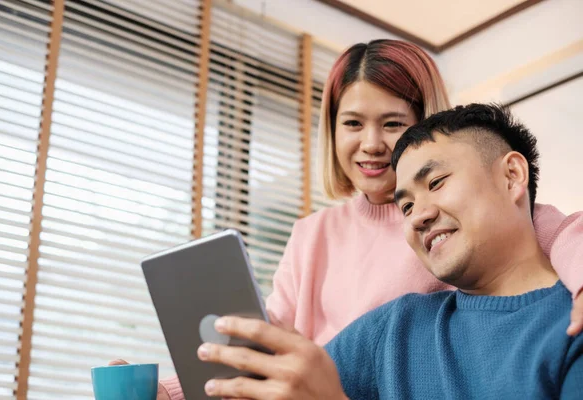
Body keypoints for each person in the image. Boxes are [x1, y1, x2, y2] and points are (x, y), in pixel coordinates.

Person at [113, 40, 583, 399]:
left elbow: (567, 236)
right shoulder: (319, 244)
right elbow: (264, 337)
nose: (373, 144)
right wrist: (172, 391)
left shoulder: (483, 229)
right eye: (353, 124)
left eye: (394, 124)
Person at [196, 103, 583, 399]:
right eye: (407, 206)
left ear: (511, 176)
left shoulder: (570, 328)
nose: (419, 217)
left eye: (436, 182)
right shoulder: (393, 328)